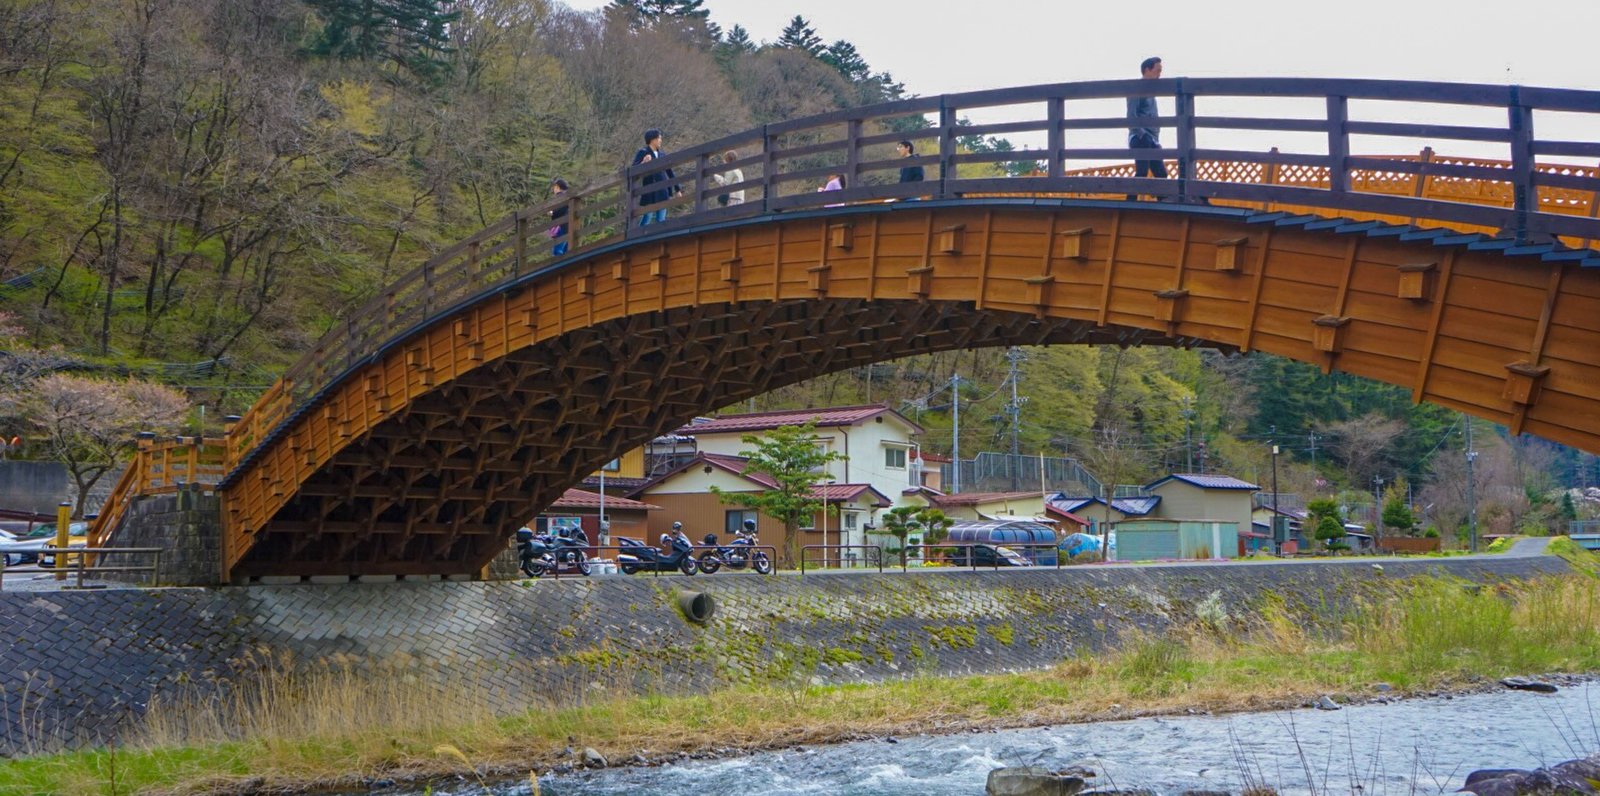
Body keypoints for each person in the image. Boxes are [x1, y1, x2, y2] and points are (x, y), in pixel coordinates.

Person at [1126, 56, 1168, 200]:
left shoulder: (1151, 92)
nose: (1159, 75)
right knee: (1142, 172)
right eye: (1157, 71)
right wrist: (1142, 134)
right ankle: (1130, 202)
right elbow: (1131, 115)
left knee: (1161, 174)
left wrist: (1154, 138)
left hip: (1152, 139)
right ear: (1147, 70)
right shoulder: (1137, 89)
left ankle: (1164, 203)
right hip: (1141, 137)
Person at [633, 128, 677, 227]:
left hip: (663, 189)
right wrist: (643, 162)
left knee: (661, 219)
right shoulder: (643, 152)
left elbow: (670, 172)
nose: (660, 140)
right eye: (659, 138)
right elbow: (633, 169)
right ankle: (639, 238)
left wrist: (678, 189)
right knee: (647, 217)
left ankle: (661, 239)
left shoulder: (662, 154)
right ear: (652, 139)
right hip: (650, 190)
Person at [548, 178, 570, 256]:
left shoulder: (559, 197)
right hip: (568, 227)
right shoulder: (568, 197)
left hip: (561, 227)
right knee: (565, 251)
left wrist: (552, 212)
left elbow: (560, 210)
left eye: (554, 187)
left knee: (557, 251)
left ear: (557, 187)